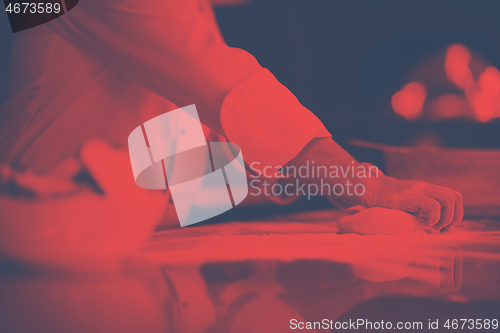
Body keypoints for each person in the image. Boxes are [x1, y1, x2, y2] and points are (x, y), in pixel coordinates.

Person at [0, 0, 462, 231]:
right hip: (34, 234)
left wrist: (302, 182)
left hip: (114, 233)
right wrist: (359, 182)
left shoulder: (187, 8)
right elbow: (226, 85)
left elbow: (188, 155)